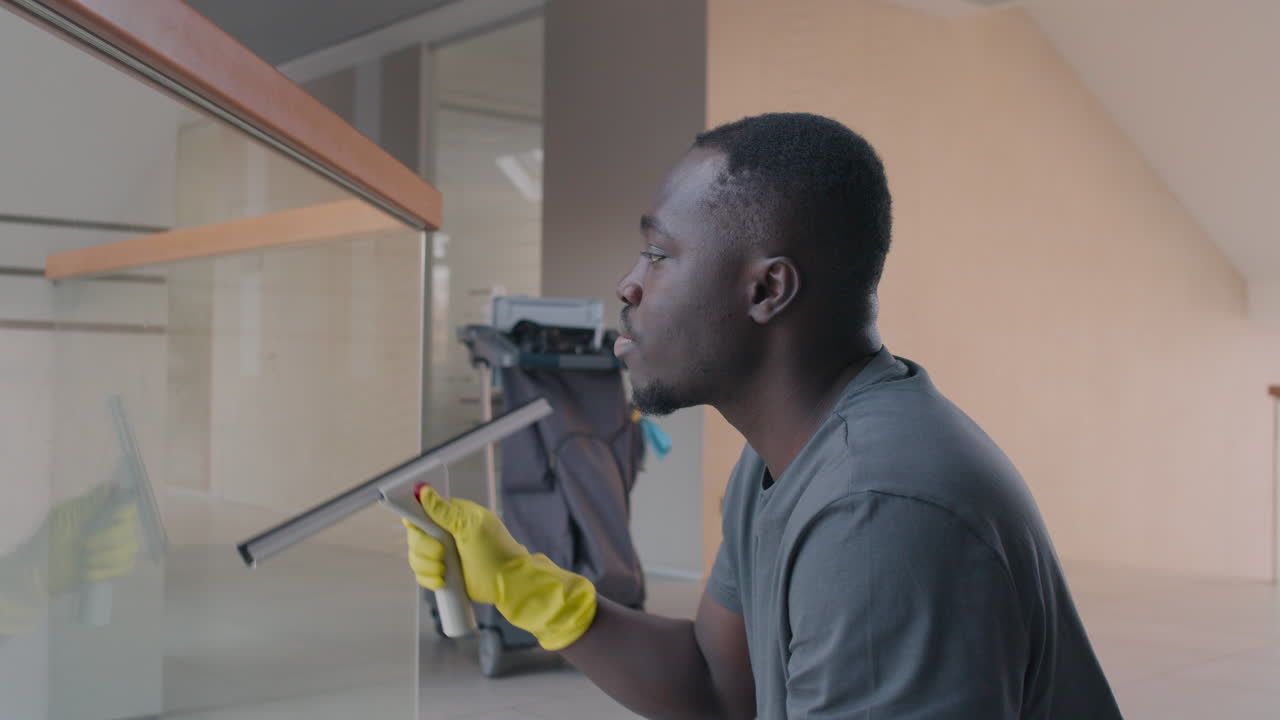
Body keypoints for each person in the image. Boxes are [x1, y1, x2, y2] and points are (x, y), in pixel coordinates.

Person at [404, 112, 1123, 719]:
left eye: (658, 253)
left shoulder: (878, 513)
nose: (628, 283)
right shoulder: (780, 461)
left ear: (767, 290)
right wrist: (528, 590)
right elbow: (721, 688)